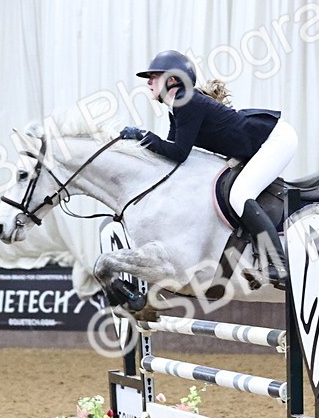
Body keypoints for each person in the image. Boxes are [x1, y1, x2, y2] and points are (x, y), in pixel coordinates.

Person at [120, 50, 297, 284]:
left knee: (240, 195)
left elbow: (179, 153)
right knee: (240, 194)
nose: (149, 82)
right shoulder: (178, 107)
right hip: (261, 141)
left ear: (172, 80)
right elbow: (171, 153)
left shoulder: (187, 101)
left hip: (276, 138)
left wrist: (143, 135)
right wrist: (140, 143)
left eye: (154, 76)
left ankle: (278, 265)